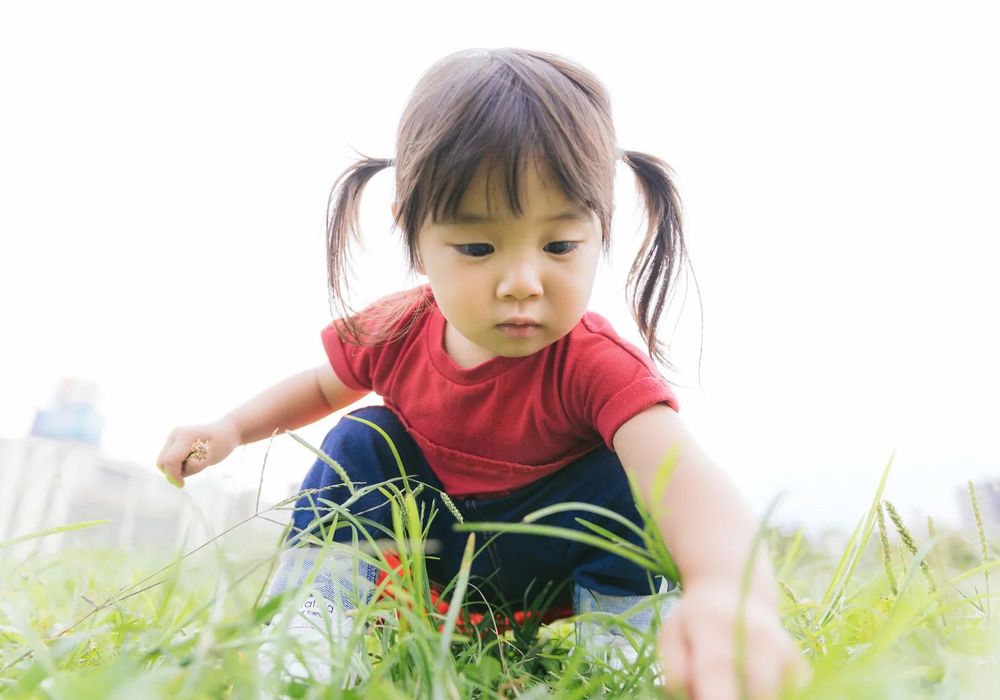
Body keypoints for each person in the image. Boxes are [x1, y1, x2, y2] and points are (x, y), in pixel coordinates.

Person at [156, 47, 806, 698]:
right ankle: (315, 628)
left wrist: (730, 592)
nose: (522, 283)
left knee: (624, 473)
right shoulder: (396, 329)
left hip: (550, 554)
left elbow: (682, 475)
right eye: (477, 247)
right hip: (434, 551)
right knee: (360, 437)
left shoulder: (593, 365)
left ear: (599, 231)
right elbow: (322, 387)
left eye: (559, 246)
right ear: (412, 233)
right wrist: (231, 429)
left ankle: (624, 642)